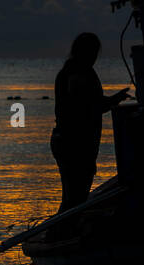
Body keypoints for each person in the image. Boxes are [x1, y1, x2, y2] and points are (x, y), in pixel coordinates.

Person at [50, 32, 129, 213]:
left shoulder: (75, 72)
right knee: (75, 197)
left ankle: (63, 232)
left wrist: (112, 100)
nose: (94, 58)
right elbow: (87, 105)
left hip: (70, 142)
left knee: (75, 195)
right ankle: (60, 234)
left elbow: (90, 103)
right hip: (73, 144)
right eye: (92, 53)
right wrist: (113, 100)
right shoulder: (75, 75)